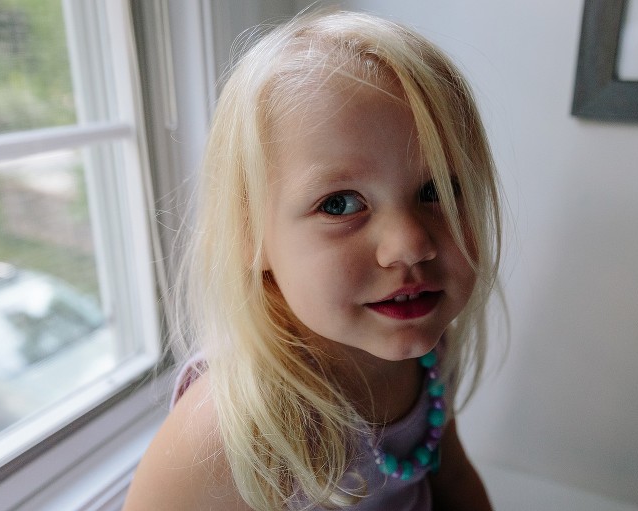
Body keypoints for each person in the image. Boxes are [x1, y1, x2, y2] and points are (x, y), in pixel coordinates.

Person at [124, 9, 501, 511]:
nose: (410, 243)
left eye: (439, 190)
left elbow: (453, 482)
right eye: (340, 203)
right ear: (249, 235)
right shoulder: (228, 429)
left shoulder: (430, 355)